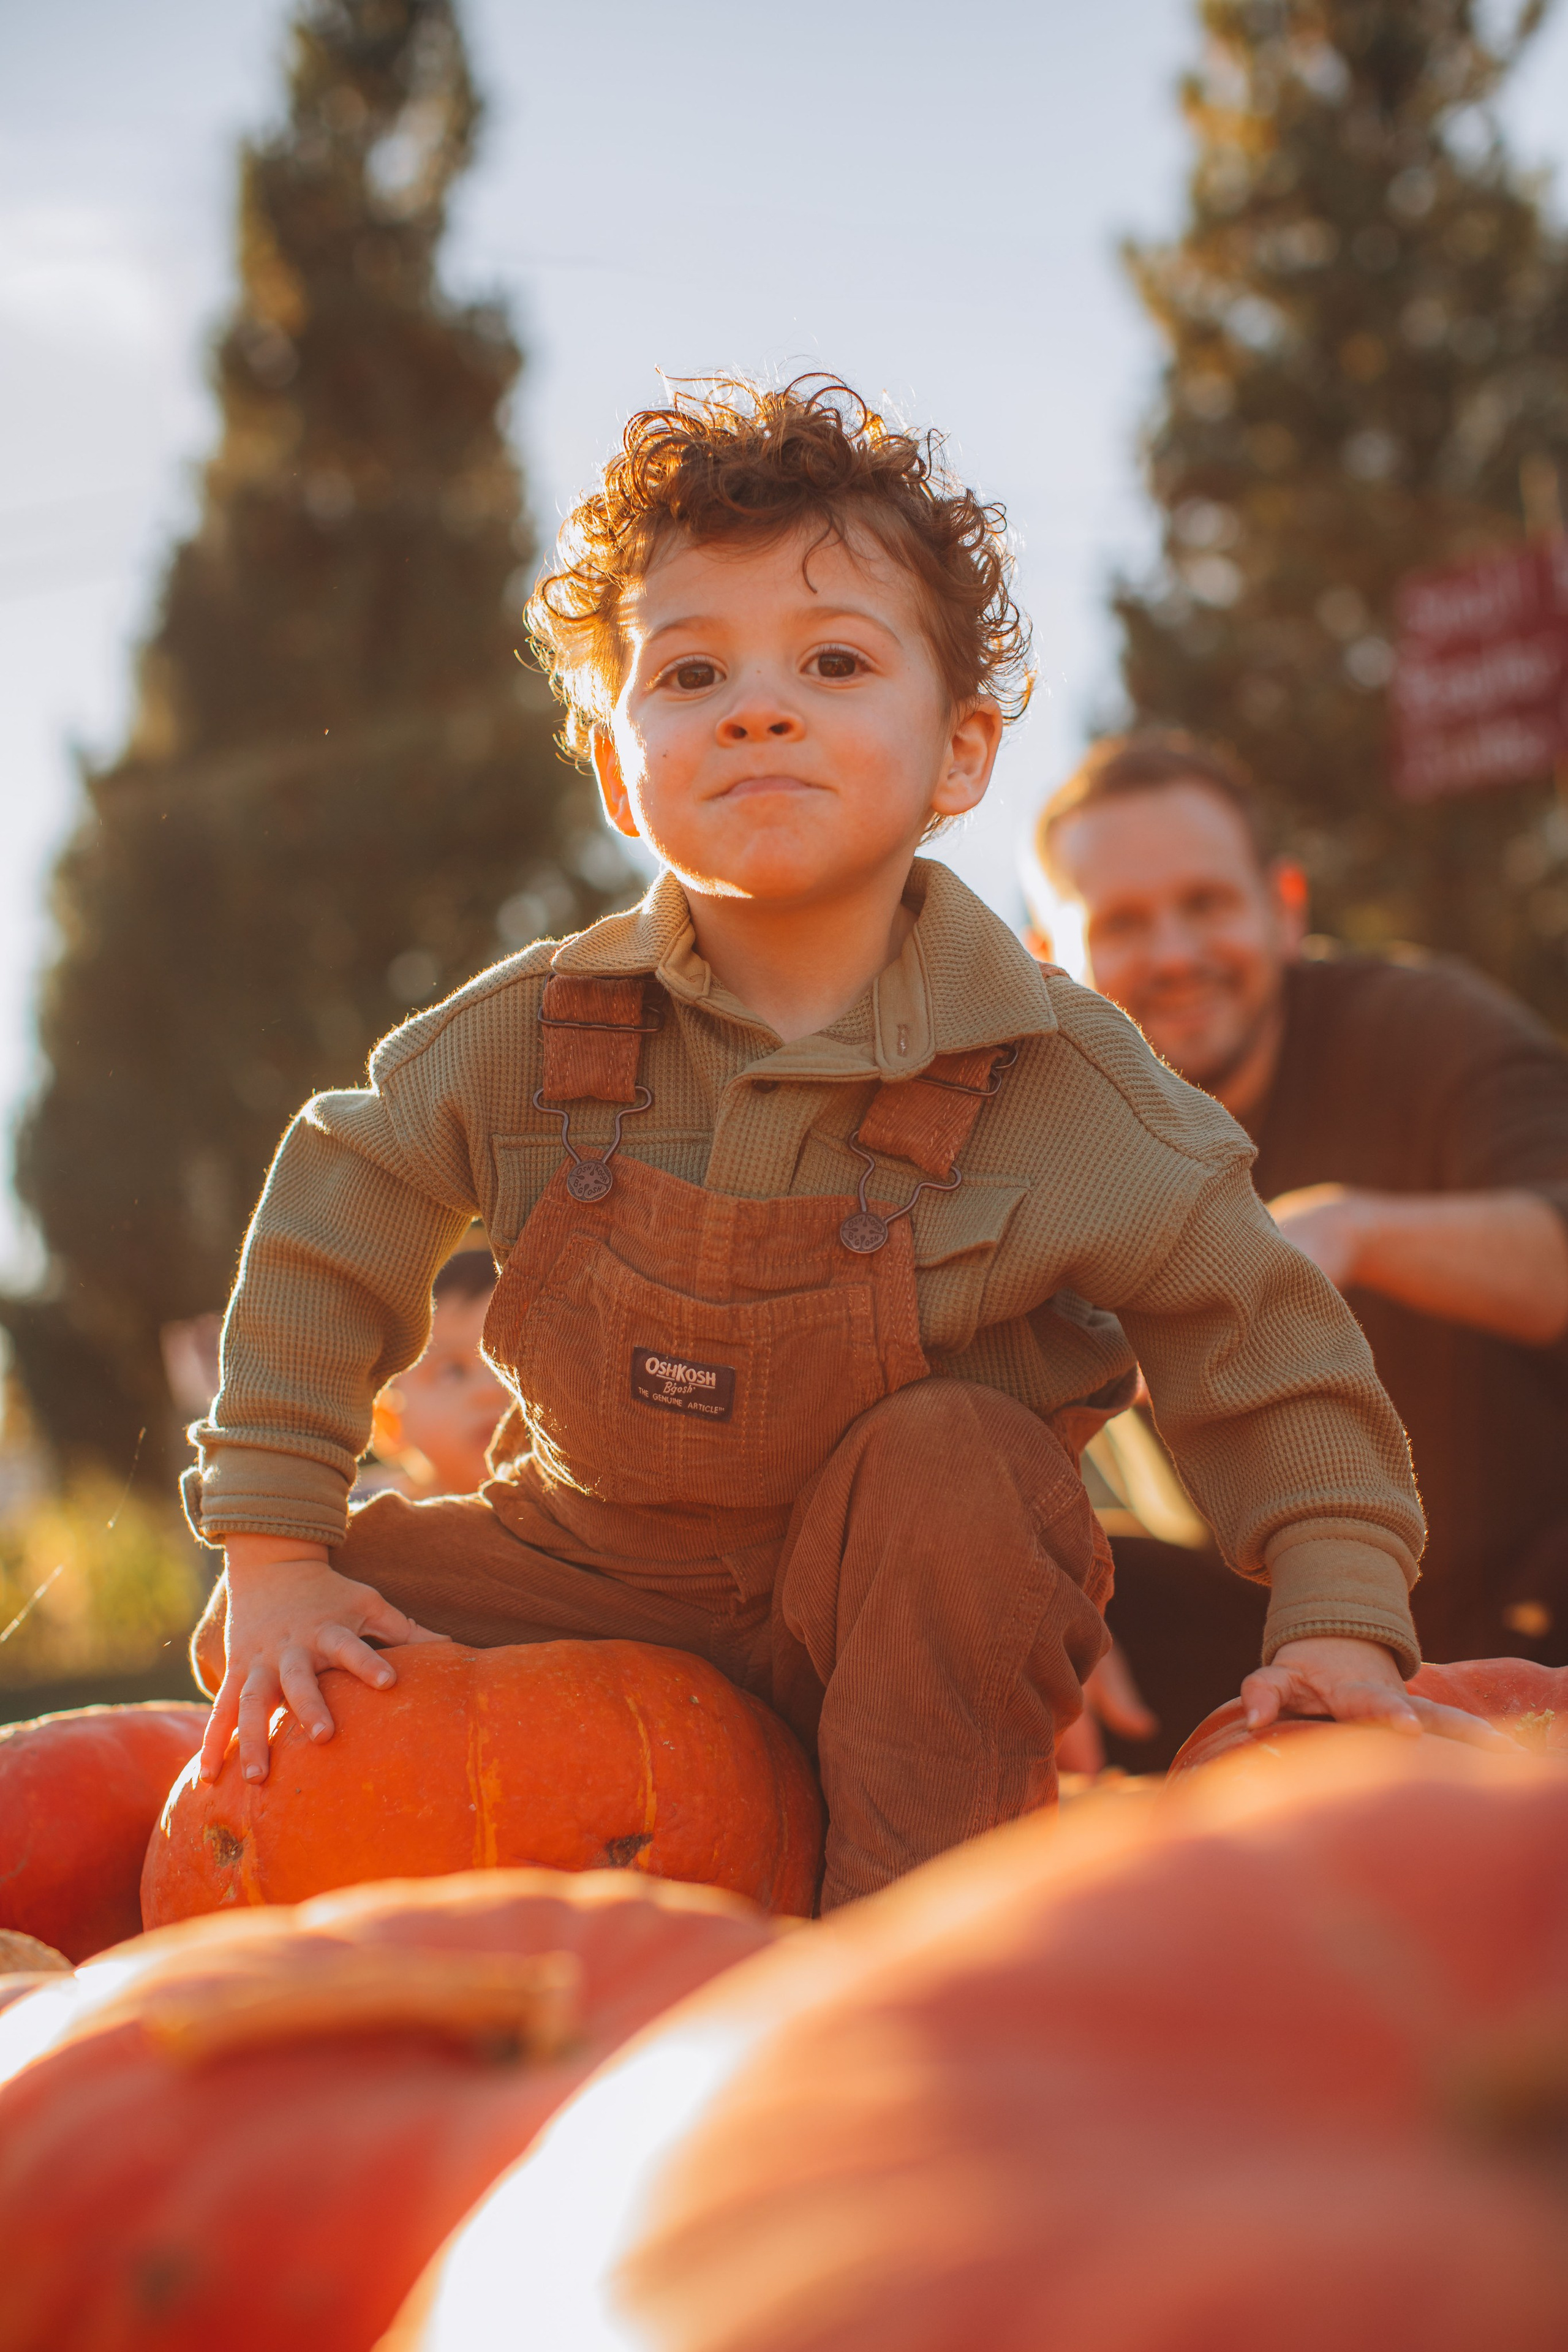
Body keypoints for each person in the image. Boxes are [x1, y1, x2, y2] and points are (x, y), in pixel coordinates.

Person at [183, 377, 1485, 1916]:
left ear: (957, 755)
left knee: (961, 1461)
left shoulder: (1060, 1082)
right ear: (618, 768)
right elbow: (347, 1198)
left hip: (908, 1603)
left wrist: (1335, 1613)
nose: (757, 704)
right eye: (689, 673)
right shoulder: (540, 1033)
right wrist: (274, 1553)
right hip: (592, 1565)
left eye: (833, 660)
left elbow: (1255, 1337)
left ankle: (898, 1954)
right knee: (335, 1616)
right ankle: (389, 1931)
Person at [1033, 729, 1568, 1763]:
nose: (1178, 954)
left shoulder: (1426, 1029)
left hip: (1528, 1576)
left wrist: (1349, 1231)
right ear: (1052, 961)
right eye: (1125, 923)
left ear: (1284, 909)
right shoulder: (1030, 1145)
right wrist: (1028, 1575)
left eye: (1207, 904)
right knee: (1007, 1593)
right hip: (1275, 1647)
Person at [361, 1245, 507, 1499]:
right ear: (390, 1424)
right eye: (453, 1372)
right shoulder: (356, 1521)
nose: (492, 1390)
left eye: (515, 1366)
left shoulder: (591, 1523)